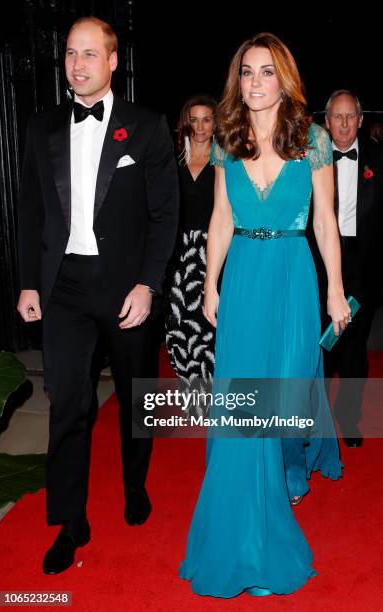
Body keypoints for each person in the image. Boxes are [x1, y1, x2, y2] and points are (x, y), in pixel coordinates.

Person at [179, 33, 348, 598]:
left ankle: (286, 471)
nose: (254, 82)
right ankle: (247, 527)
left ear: (285, 79)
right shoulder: (228, 140)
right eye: (247, 72)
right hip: (246, 274)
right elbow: (222, 217)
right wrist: (210, 283)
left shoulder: (315, 140)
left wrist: (335, 291)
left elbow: (325, 221)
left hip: (294, 277)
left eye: (266, 72)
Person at [17, 17, 179, 574]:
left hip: (125, 288)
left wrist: (148, 284)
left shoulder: (148, 126)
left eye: (89, 54)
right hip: (62, 289)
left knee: (138, 401)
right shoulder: (40, 127)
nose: (77, 64)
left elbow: (166, 215)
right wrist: (27, 281)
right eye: (69, 54)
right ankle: (69, 523)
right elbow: (32, 211)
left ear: (113, 61)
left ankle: (136, 484)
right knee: (68, 405)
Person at [321, 90, 382, 446]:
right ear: (326, 121)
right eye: (336, 117)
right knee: (324, 344)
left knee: (354, 347)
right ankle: (318, 419)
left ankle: (348, 417)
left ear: (360, 120)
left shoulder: (379, 157)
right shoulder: (309, 159)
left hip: (363, 266)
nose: (343, 124)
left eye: (350, 117)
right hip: (320, 265)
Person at [166, 95, 216, 385]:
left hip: (215, 253)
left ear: (215, 123)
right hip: (179, 255)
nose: (199, 126)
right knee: (179, 324)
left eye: (206, 119)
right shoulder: (171, 161)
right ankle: (192, 391)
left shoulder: (227, 160)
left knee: (212, 325)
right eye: (193, 119)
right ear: (185, 123)